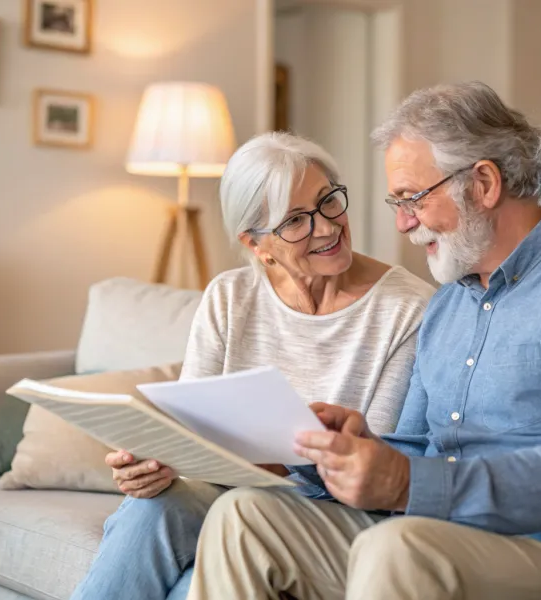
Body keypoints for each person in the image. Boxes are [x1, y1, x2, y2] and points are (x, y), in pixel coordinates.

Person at [186, 81, 541, 600]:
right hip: (441, 534)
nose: (403, 223)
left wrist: (406, 483)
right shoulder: (449, 302)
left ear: (484, 184)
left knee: (398, 547)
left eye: (412, 199)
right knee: (244, 516)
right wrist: (345, 452)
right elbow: (417, 451)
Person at [70, 132, 435, 600]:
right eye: (296, 221)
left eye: (328, 203)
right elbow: (188, 427)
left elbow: (375, 468)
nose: (325, 228)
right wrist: (158, 463)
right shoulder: (229, 296)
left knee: (189, 584)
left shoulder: (409, 308)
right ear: (256, 244)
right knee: (150, 506)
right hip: (227, 496)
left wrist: (267, 458)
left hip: (330, 517)